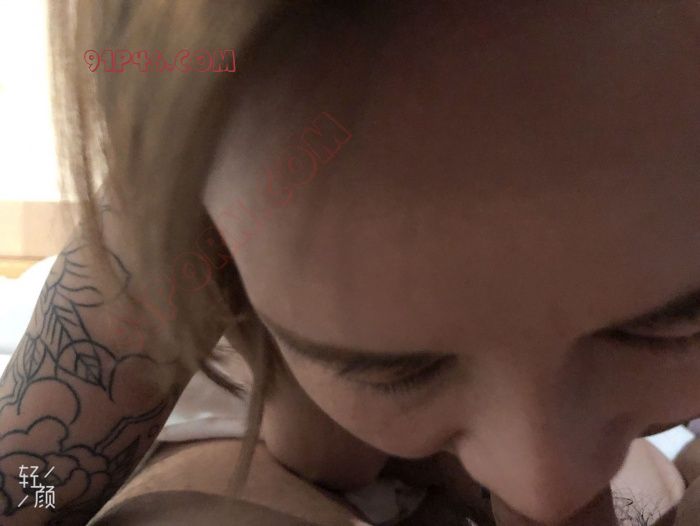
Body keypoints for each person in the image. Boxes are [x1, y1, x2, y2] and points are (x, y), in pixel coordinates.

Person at [0, 1, 698, 524]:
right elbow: (33, 487)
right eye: (390, 370)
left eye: (672, 327)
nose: (547, 488)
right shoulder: (162, 252)